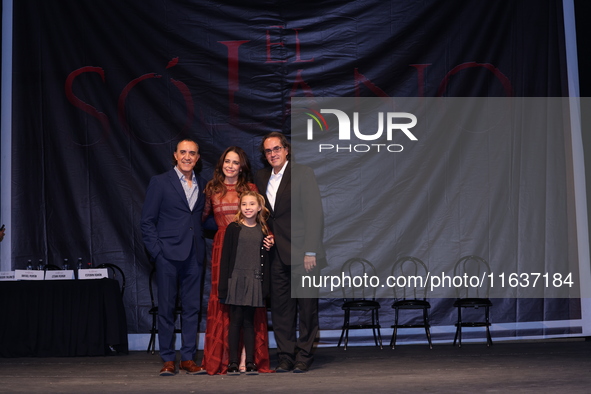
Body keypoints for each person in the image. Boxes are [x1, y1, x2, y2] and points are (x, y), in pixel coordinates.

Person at [254, 131, 326, 373]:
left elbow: (314, 213)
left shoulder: (303, 174)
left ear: (286, 150)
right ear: (264, 156)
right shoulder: (261, 176)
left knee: (306, 308)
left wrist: (311, 252)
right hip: (276, 254)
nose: (273, 153)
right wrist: (265, 235)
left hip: (303, 254)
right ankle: (285, 355)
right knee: (282, 310)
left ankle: (304, 355)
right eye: (268, 150)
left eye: (276, 149)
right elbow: (264, 215)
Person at [201, 146, 273, 375]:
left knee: (251, 307)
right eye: (227, 162)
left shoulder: (249, 188)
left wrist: (268, 237)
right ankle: (224, 358)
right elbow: (202, 218)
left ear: (241, 166)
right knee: (225, 304)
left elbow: (259, 217)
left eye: (235, 162)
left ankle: (246, 357)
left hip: (249, 247)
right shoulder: (212, 188)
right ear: (221, 164)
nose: (231, 166)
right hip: (223, 247)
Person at [141, 139, 207, 376]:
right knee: (166, 309)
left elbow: (200, 219)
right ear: (175, 156)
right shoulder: (160, 182)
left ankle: (188, 358)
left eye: (192, 153)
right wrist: (157, 252)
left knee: (192, 309)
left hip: (194, 255)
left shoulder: (204, 184)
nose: (188, 157)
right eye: (183, 153)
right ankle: (168, 359)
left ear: (197, 158)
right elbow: (147, 220)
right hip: (167, 256)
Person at [218, 191, 271, 376]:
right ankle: (233, 362)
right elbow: (226, 258)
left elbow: (266, 259)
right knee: (235, 322)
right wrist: (224, 285)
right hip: (236, 279)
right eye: (244, 204)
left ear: (259, 208)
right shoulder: (234, 228)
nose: (248, 208)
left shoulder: (263, 230)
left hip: (254, 279)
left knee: (249, 323)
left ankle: (250, 362)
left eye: (251, 204)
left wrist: (265, 286)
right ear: (240, 207)